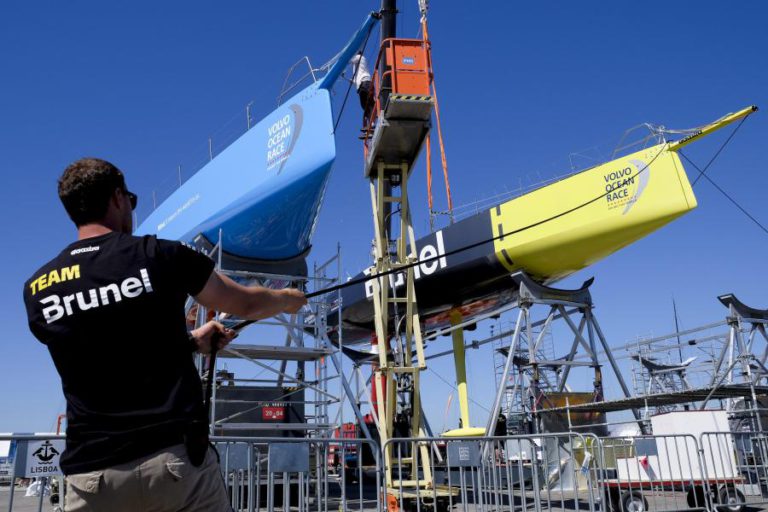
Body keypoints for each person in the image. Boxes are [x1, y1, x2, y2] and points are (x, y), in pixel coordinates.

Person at [23, 157, 306, 511]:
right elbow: (245, 304)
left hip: (92, 475)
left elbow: (103, 350)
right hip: (173, 464)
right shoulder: (159, 255)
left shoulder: (38, 288)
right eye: (131, 200)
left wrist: (191, 342)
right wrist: (288, 299)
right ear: (117, 198)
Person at [349, 52, 374, 128]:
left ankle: (372, 121)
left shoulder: (359, 57)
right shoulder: (358, 66)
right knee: (366, 104)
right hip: (364, 83)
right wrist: (346, 79)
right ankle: (372, 122)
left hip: (365, 83)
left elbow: (350, 60)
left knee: (367, 104)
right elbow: (356, 81)